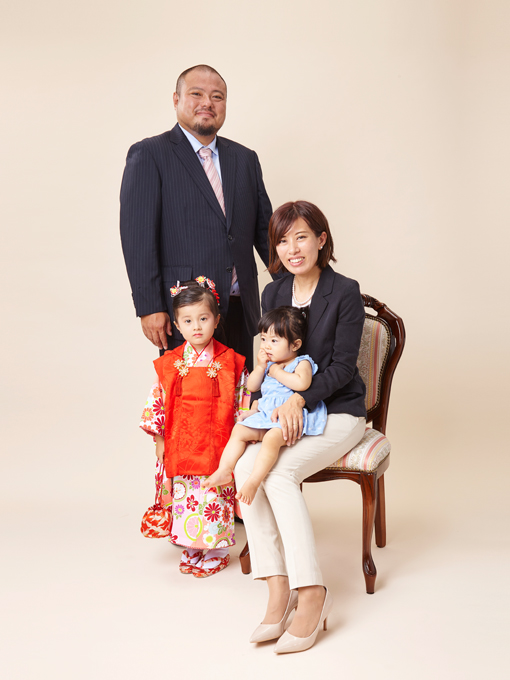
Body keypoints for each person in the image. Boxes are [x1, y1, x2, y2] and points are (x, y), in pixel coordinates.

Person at [234, 201, 367, 653]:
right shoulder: (273, 292)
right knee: (243, 468)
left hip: (339, 410)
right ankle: (277, 588)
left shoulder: (344, 291)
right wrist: (259, 403)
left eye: (302, 237)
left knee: (279, 474)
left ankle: (312, 593)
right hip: (282, 413)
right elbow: (268, 358)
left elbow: (343, 368)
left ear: (321, 240)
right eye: (282, 240)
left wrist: (300, 398)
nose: (292, 248)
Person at [120, 64, 272, 370]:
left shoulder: (245, 159)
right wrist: (149, 307)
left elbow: (266, 234)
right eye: (197, 94)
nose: (208, 103)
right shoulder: (150, 154)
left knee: (242, 394)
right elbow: (138, 238)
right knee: (192, 397)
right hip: (186, 313)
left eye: (217, 96)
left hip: (241, 309)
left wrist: (299, 291)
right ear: (176, 99)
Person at [140, 278, 250, 578]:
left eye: (203, 318)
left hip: (219, 444)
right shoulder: (170, 363)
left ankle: (215, 550)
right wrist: (160, 440)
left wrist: (241, 442)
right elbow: (158, 401)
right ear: (177, 325)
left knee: (213, 496)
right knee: (186, 497)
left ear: (216, 319)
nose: (197, 327)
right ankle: (191, 546)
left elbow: (243, 403)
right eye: (188, 321)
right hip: (181, 442)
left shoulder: (232, 362)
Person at [204, 306, 327, 505]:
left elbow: (302, 383)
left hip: (287, 420)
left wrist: (277, 372)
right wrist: (261, 366)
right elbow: (252, 386)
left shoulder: (301, 362)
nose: (266, 346)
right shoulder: (269, 364)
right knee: (239, 430)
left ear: (295, 344)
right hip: (266, 416)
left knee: (271, 439)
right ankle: (225, 469)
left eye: (274, 341)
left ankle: (254, 481)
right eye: (263, 339)